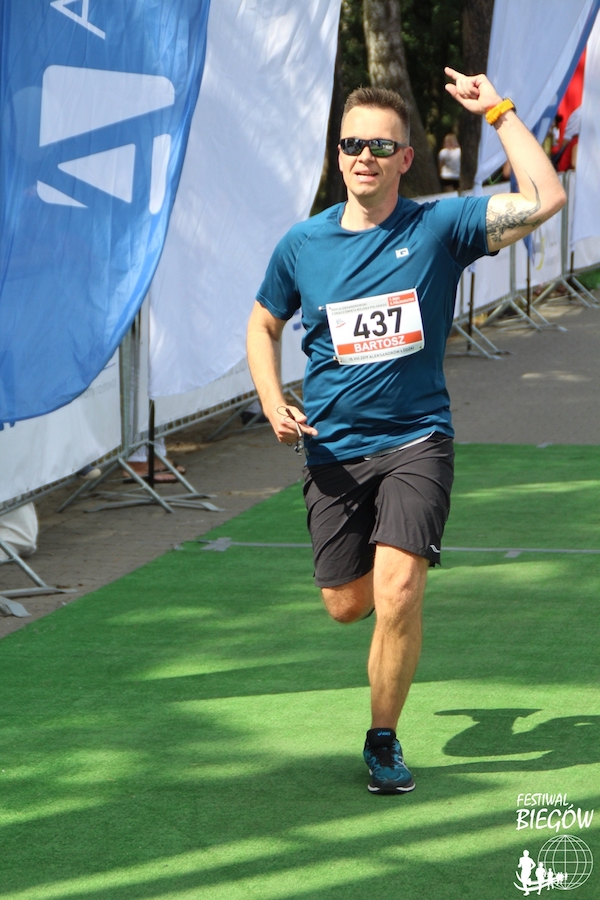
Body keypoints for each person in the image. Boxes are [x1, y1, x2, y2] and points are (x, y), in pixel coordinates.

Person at [246, 67, 566, 794]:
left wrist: (499, 112)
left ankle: (383, 738)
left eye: (381, 146)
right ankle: (392, 610)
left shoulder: (439, 227)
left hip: (418, 439)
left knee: (398, 591)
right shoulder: (303, 244)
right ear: (338, 155)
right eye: (352, 144)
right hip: (333, 448)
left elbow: (547, 198)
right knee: (347, 605)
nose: (365, 156)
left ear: (405, 159)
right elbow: (263, 323)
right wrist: (271, 400)